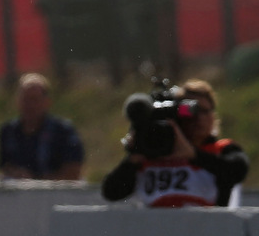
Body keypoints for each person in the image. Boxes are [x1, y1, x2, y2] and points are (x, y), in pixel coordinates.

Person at [101, 79, 249, 208]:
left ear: (214, 116)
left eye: (204, 111)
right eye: (192, 112)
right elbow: (111, 192)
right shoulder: (153, 153)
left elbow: (237, 170)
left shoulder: (221, 150)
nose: (198, 119)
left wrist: (194, 155)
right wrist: (133, 158)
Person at [0, 73, 84, 180]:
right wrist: (17, 175)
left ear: (46, 102)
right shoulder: (8, 131)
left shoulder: (63, 131)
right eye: (25, 99)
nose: (29, 105)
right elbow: (5, 166)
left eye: (34, 100)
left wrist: (36, 181)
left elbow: (73, 173)